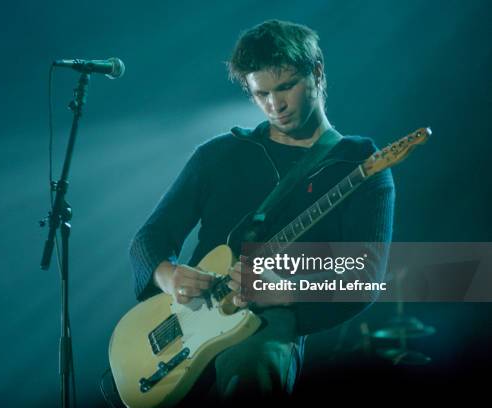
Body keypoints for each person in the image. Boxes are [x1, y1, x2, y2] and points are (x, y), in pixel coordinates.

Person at [128, 19, 394, 404]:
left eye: (286, 87)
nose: (275, 105)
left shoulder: (357, 164)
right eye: (261, 94)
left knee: (251, 368)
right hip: (188, 323)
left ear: (317, 72)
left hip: (265, 323)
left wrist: (286, 291)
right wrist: (169, 276)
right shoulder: (218, 154)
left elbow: (365, 275)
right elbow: (148, 238)